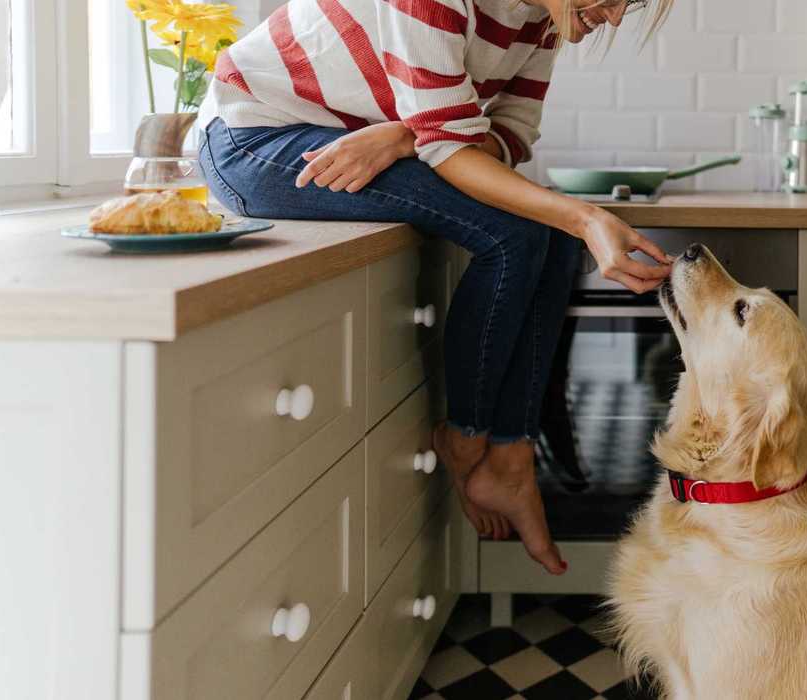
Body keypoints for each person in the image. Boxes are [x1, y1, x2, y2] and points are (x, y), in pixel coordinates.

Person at [197, 0, 675, 575]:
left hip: (354, 141)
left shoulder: (540, 21)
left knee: (549, 233)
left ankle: (511, 458)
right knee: (522, 236)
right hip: (255, 141)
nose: (618, 17)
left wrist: (407, 136)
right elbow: (452, 145)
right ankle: (469, 439)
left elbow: (509, 136)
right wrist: (584, 216)